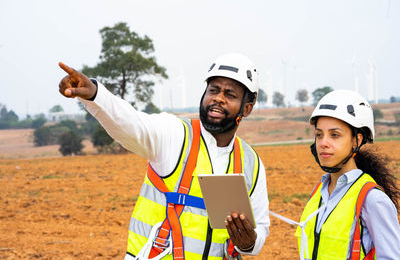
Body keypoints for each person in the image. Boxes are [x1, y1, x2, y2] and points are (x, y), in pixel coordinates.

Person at [58, 53, 270, 259]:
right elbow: (130, 123)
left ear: (247, 108)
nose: (218, 99)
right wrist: (96, 95)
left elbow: (260, 228)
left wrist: (249, 242)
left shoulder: (252, 163)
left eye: (230, 94)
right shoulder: (175, 134)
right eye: (213, 90)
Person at [295, 89, 400, 260]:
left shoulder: (372, 199)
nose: (323, 143)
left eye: (334, 135)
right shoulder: (318, 193)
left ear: (357, 140)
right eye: (319, 135)